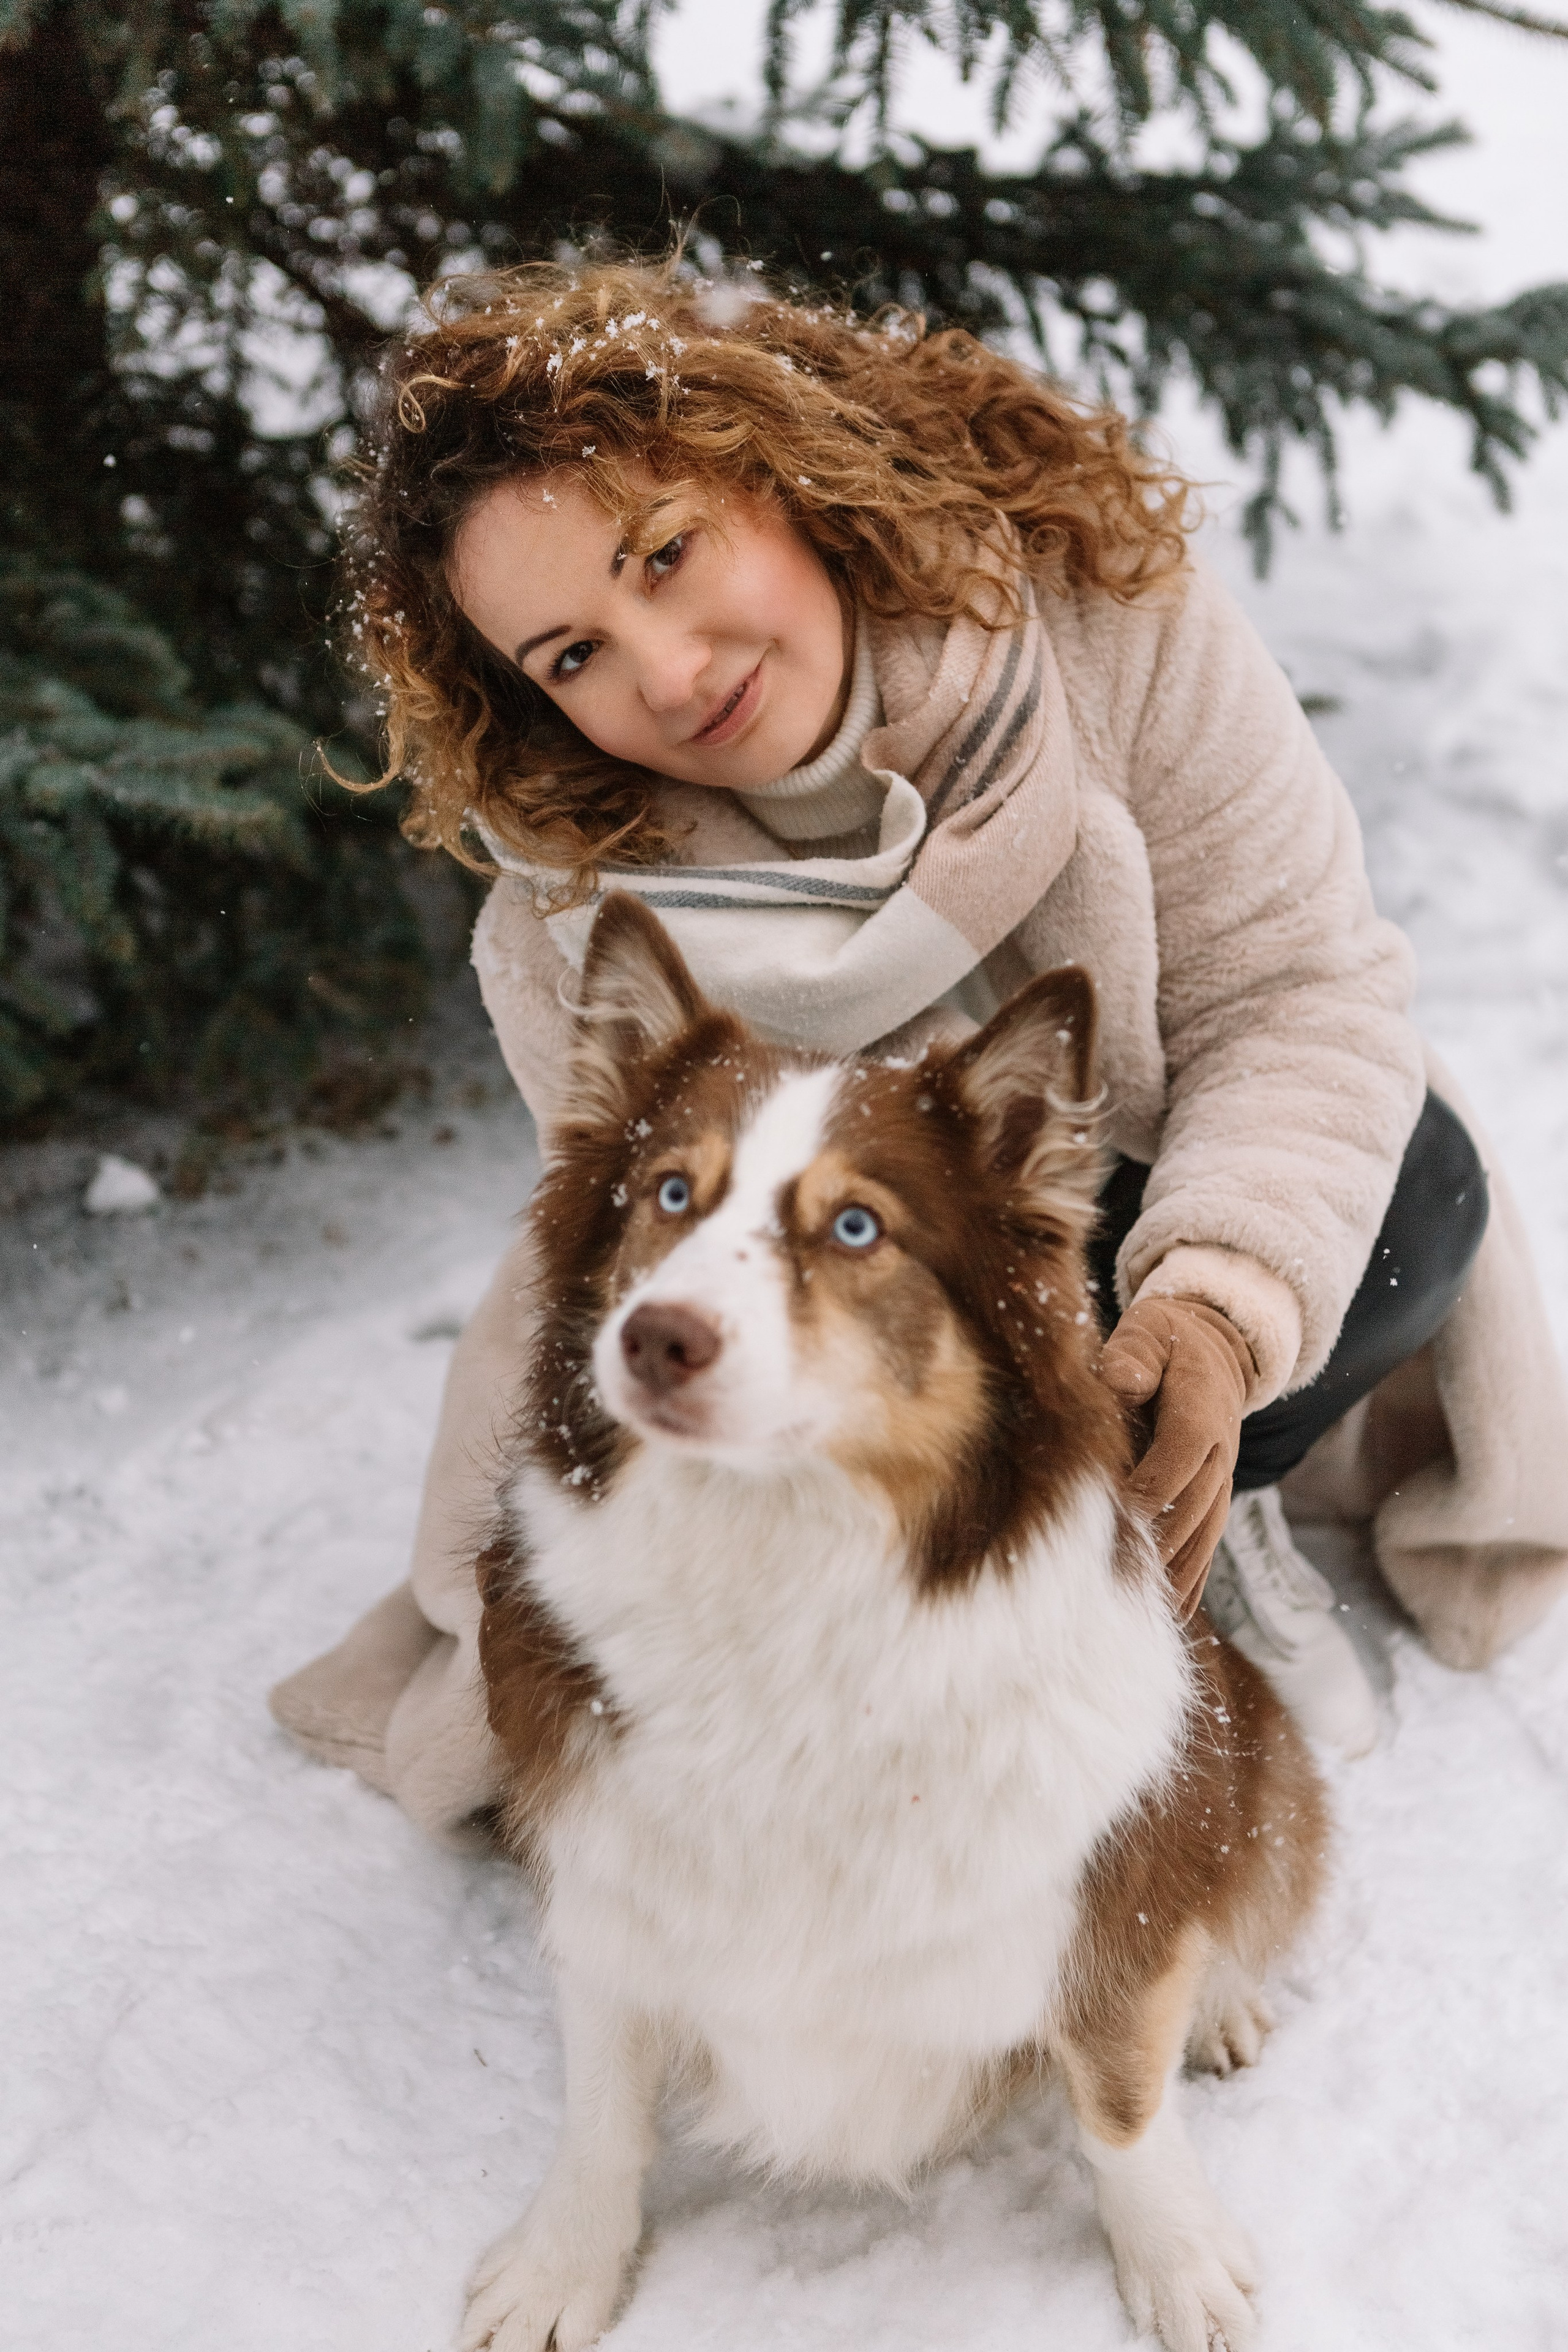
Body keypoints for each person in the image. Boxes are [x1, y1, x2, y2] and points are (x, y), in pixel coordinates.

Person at [271, 255, 1568, 1838]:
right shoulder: (570, 909)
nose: (666, 673)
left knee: (1404, 1196)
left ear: (778, 468)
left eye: (667, 553)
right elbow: (648, 1238)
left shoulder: (1101, 616)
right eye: (571, 656)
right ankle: (1003, 1616)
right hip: (855, 1296)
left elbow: (1297, 987)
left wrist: (1218, 1318)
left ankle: (1206, 1510)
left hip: (1153, 1164)